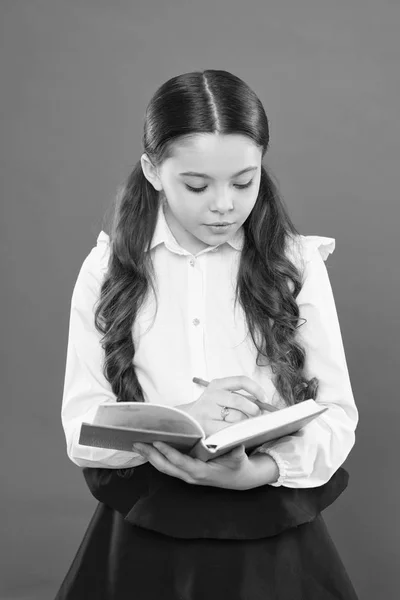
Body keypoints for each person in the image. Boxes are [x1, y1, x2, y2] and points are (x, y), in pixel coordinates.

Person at [55, 69, 359, 599]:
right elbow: (83, 432)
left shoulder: (295, 262)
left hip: (271, 536)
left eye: (245, 181)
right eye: (196, 185)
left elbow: (338, 416)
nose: (224, 204)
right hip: (146, 535)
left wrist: (260, 470)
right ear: (153, 170)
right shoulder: (107, 268)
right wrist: (183, 421)